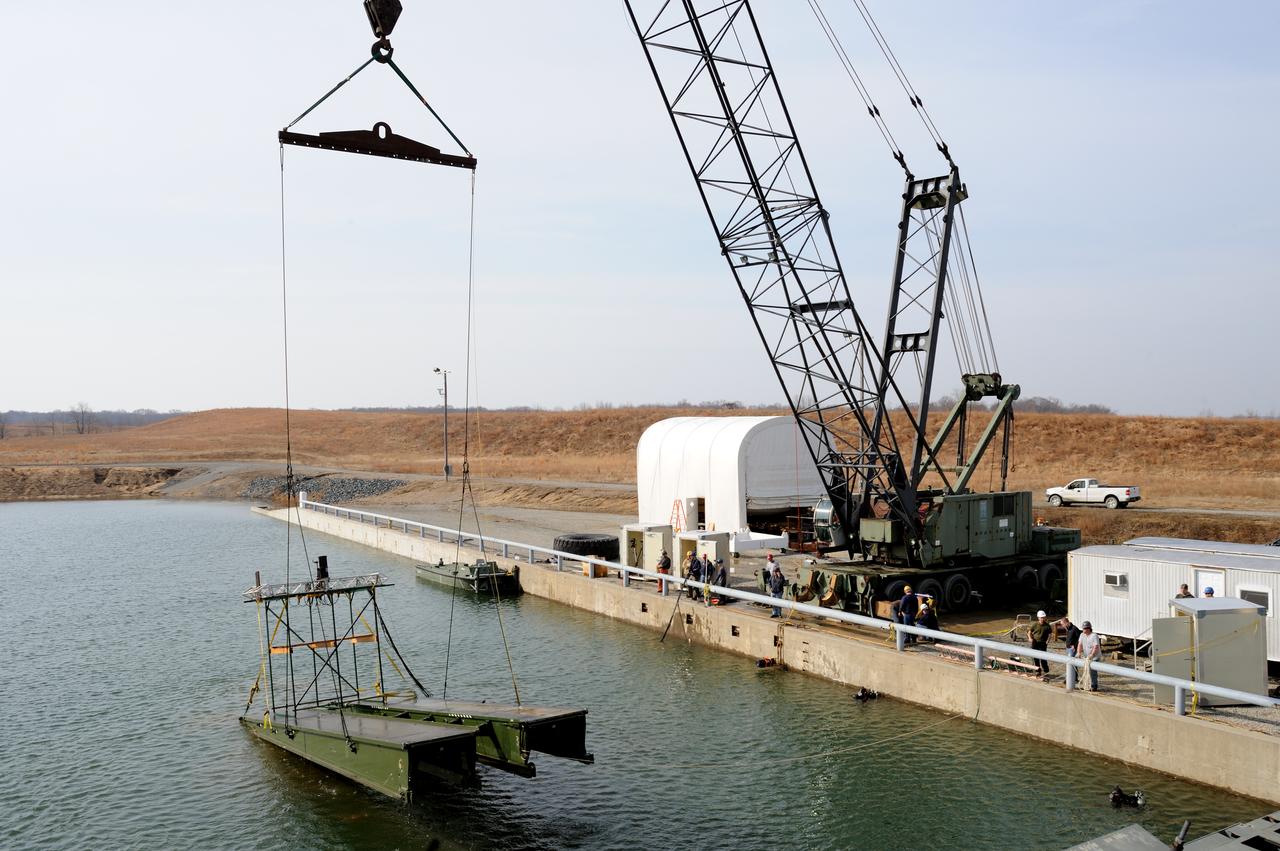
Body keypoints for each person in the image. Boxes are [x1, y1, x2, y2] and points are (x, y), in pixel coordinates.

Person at [1077, 620, 1102, 690]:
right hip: (1086, 656)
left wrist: (1092, 655)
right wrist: (1079, 652)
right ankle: (1087, 685)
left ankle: (1094, 686)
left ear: (1089, 628)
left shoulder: (1094, 635)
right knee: (1086, 670)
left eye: (1085, 628)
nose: (1083, 630)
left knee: (1093, 671)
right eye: (1083, 628)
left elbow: (1095, 647)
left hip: (1094, 657)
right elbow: (1080, 644)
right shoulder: (1082, 635)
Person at [1029, 610, 1052, 679]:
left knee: (1043, 658)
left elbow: (1050, 634)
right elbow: (1029, 632)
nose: (1042, 619)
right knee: (1036, 658)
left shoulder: (1047, 626)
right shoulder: (1035, 625)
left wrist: (1048, 641)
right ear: (1038, 618)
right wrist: (1030, 638)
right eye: (1041, 617)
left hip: (1043, 644)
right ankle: (1038, 671)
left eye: (1043, 617)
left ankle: (1046, 671)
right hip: (1035, 643)